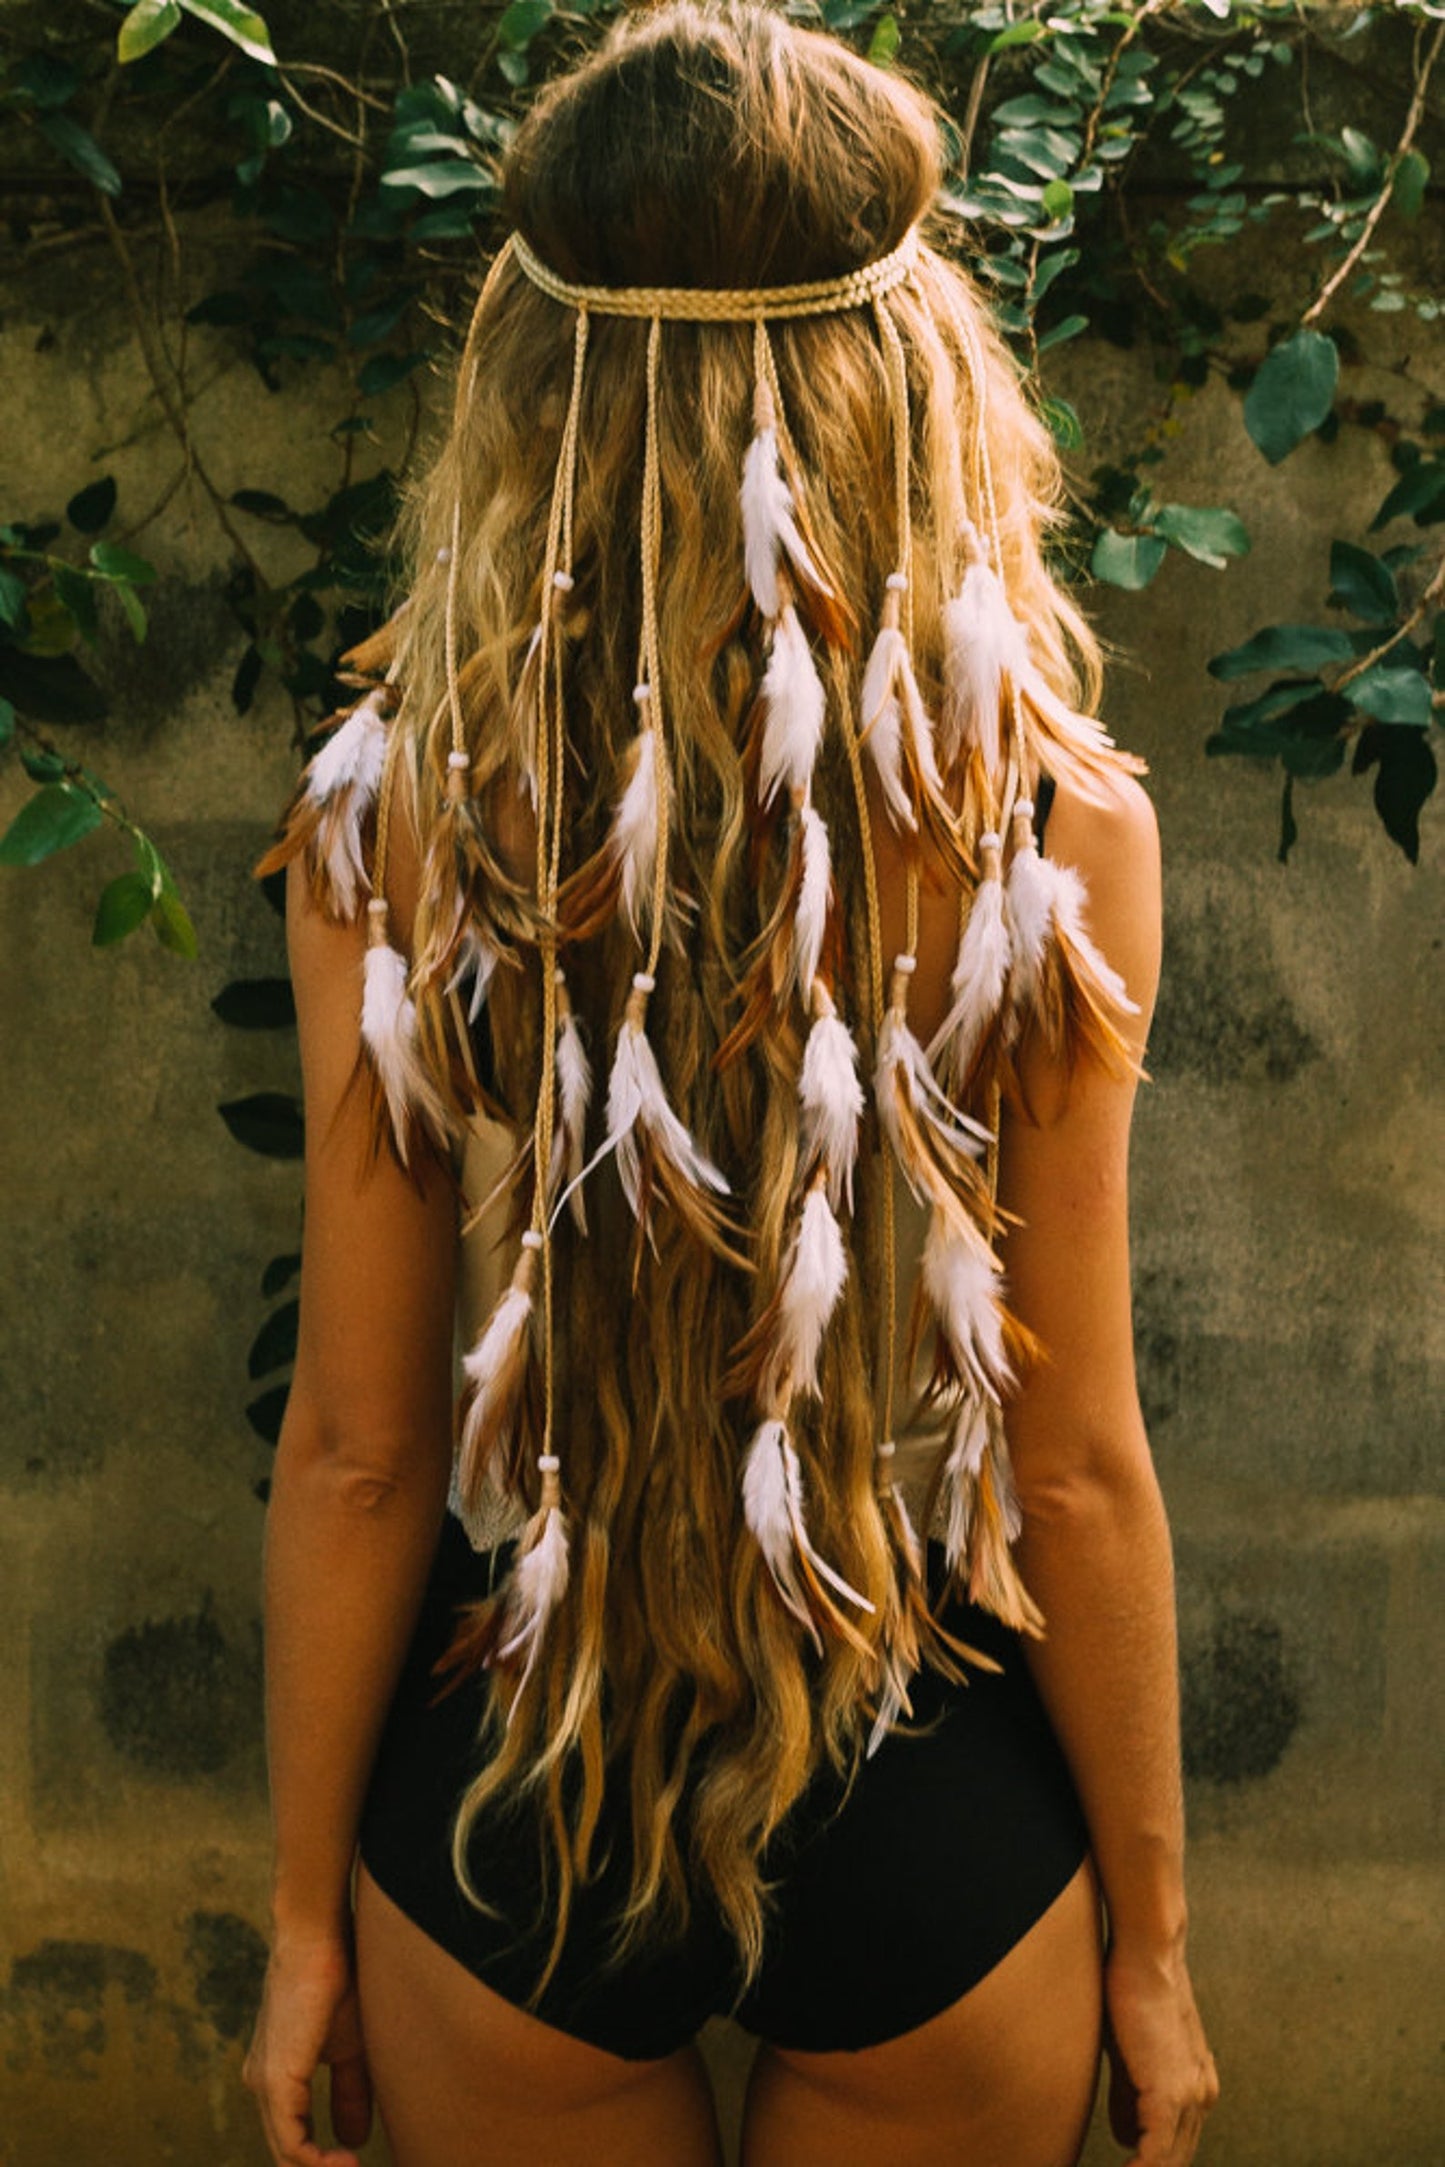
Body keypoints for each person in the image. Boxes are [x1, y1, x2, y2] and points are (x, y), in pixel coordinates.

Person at [243, 6, 1219, 2164]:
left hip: (516, 1783)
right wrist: (1149, 1941)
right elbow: (1071, 1463)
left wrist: (306, 1915)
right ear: (917, 354)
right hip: (926, 1771)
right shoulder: (1052, 826)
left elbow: (359, 1451)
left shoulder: (401, 816)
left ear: (526, 376)